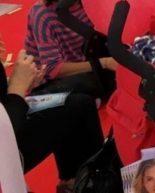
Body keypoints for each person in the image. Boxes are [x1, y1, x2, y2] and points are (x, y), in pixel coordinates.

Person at [1, 38, 104, 193]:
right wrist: (17, 89)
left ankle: (77, 181)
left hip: (8, 115)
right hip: (5, 141)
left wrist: (19, 82)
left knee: (79, 105)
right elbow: (6, 133)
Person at [24, 0, 117, 97]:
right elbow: (53, 69)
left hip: (85, 65)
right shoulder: (42, 13)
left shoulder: (90, 3)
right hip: (45, 81)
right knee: (90, 83)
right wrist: (104, 63)